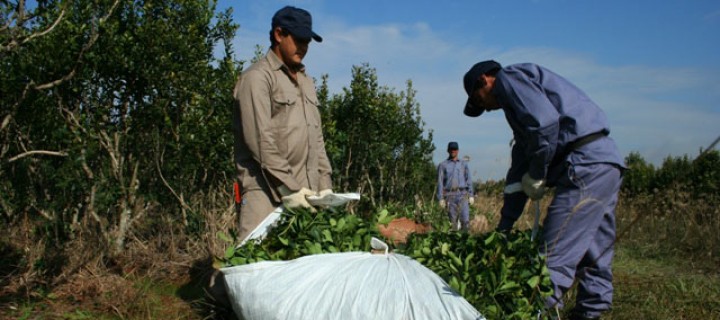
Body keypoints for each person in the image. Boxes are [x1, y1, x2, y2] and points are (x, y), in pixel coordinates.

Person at [462, 60, 625, 320]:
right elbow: (518, 171)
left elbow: (545, 125)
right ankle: (589, 313)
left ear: (484, 80)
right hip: (605, 163)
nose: (486, 108)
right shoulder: (520, 105)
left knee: (552, 257)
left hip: (582, 165)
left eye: (479, 101)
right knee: (593, 252)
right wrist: (504, 227)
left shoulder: (509, 80)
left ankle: (537, 314)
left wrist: (538, 172)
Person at [232, 6, 333, 240]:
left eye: (307, 41)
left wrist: (324, 183)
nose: (304, 47)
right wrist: (291, 188)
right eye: (298, 40)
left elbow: (316, 139)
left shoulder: (306, 82)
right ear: (279, 34)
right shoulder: (257, 78)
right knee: (252, 266)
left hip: (306, 194)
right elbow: (260, 141)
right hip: (264, 192)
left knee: (299, 268)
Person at [437, 141, 475, 231]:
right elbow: (440, 182)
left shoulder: (463, 164)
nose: (453, 151)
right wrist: (440, 198)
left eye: (455, 149)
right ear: (448, 150)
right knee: (453, 222)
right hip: (450, 196)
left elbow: (468, 179)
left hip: (462, 194)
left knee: (465, 221)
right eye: (451, 149)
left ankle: (464, 240)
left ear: (458, 151)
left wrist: (471, 195)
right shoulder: (443, 165)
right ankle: (454, 242)